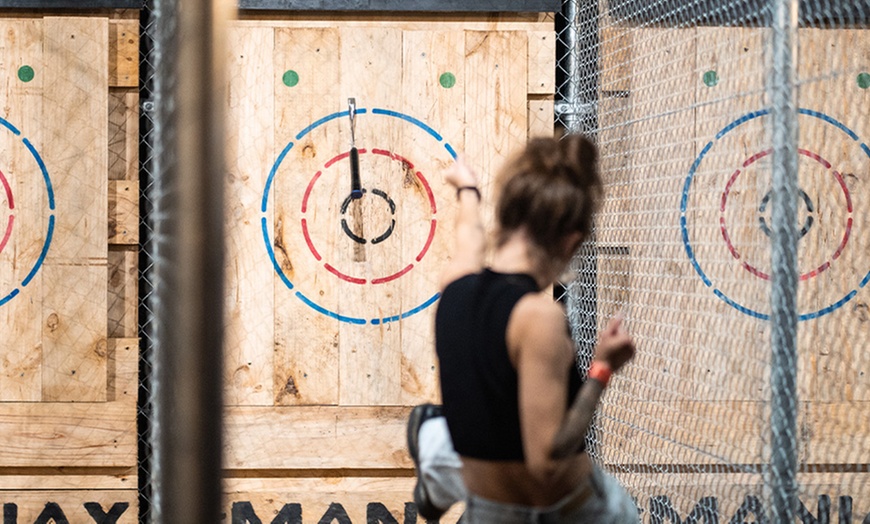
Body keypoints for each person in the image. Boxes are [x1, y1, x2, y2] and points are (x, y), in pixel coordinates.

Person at [407, 134, 639, 523]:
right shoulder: (538, 318)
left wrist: (467, 188)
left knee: (456, 429)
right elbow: (546, 463)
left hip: (488, 511)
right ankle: (436, 451)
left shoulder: (454, 286)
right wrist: (602, 369)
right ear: (570, 240)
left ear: (509, 218)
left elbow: (469, 238)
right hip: (570, 512)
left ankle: (435, 452)